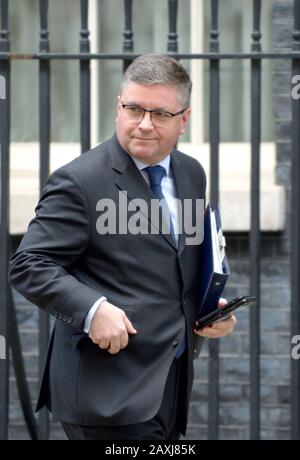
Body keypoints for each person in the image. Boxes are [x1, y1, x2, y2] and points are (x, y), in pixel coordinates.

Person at [8, 54, 236, 441]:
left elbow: (180, 259)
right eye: (134, 109)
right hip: (105, 391)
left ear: (184, 119)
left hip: (169, 380)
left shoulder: (191, 173)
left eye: (160, 114)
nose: (144, 124)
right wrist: (92, 310)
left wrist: (211, 309)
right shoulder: (79, 181)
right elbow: (29, 264)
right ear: (118, 108)